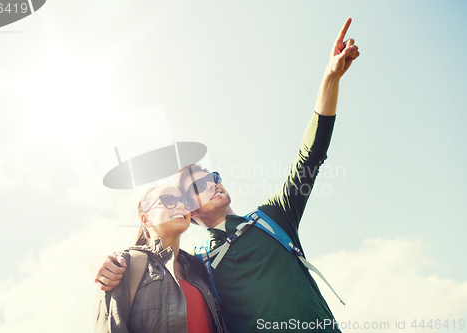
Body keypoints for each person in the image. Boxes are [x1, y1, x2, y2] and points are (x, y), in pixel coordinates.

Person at [92, 18, 360, 332]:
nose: (213, 182)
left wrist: (330, 78)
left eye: (212, 175)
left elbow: (309, 157)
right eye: (199, 184)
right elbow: (152, 259)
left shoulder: (273, 219)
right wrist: (100, 262)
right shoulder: (197, 266)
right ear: (188, 210)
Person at [94, 184, 227, 333]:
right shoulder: (123, 264)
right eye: (168, 200)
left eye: (183, 201)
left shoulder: (199, 267)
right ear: (146, 219)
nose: (180, 205)